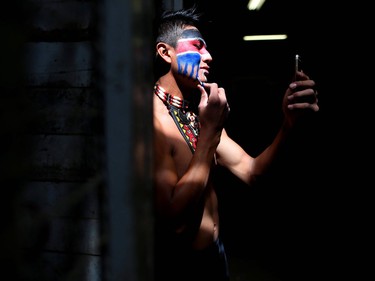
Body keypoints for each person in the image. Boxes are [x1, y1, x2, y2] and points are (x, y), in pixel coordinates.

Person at [152, 6, 319, 281]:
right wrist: (209, 133)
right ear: (165, 52)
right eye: (198, 46)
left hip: (216, 254)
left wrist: (289, 125)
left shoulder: (197, 110)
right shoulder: (152, 121)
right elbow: (174, 221)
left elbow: (251, 172)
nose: (209, 56)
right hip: (182, 266)